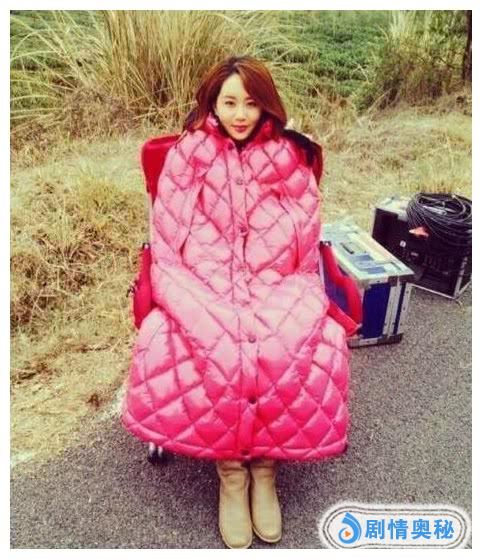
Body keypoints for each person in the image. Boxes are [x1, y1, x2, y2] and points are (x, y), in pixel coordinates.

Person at [122, 55, 351, 549]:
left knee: (297, 342)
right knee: (216, 346)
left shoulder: (289, 155)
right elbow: (168, 239)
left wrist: (281, 281)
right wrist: (195, 288)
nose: (240, 114)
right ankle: (231, 474)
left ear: (266, 105)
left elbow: (305, 233)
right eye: (229, 103)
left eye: (250, 103)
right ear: (213, 103)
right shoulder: (188, 153)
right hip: (200, 279)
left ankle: (265, 469)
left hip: (277, 278)